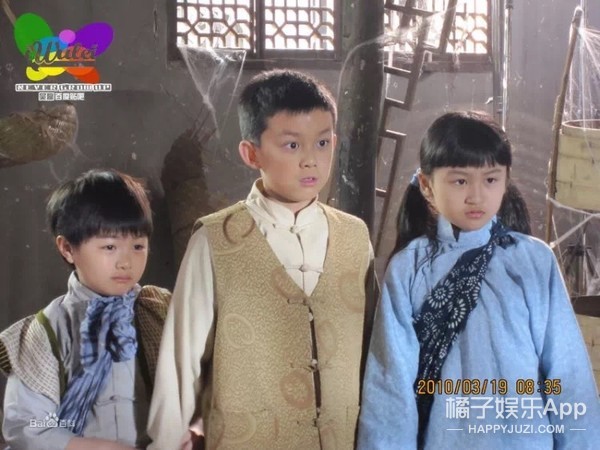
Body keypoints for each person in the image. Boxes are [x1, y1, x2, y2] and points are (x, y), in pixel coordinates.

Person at [147, 69, 377, 450]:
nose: (311, 160)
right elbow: (180, 360)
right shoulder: (215, 240)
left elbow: (375, 352)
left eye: (322, 143)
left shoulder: (355, 236)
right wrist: (168, 442)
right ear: (251, 153)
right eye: (292, 145)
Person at [358, 111, 600, 449]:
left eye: (490, 179)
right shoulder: (409, 268)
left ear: (505, 180)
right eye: (460, 181)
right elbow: (390, 385)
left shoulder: (533, 260)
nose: (476, 195)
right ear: (426, 185)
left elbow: (568, 373)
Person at [0, 169, 170, 450]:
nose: (126, 262)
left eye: (138, 246)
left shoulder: (159, 311)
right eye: (110, 247)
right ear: (67, 248)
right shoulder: (46, 330)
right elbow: (29, 426)